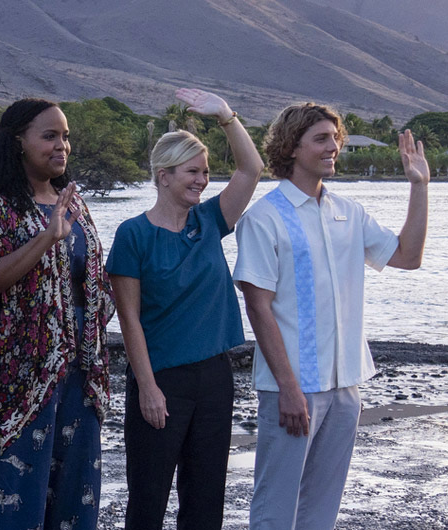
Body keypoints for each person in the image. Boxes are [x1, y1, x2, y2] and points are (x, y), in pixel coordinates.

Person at [233, 104, 430, 529]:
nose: (333, 147)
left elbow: (408, 256)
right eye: (321, 139)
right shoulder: (263, 218)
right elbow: (258, 306)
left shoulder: (350, 212)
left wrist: (419, 186)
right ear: (292, 147)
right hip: (292, 388)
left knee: (322, 510)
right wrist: (288, 388)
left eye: (335, 138)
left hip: (345, 386)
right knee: (275, 508)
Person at [0, 98, 112, 530]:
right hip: (11, 384)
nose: (62, 146)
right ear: (19, 141)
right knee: (6, 505)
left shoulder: (73, 205)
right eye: (50, 136)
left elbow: (89, 284)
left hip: (77, 379)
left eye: (66, 137)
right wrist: (45, 239)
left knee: (73, 505)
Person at [106, 88, 263, 529]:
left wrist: (227, 116)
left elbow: (251, 169)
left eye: (206, 172)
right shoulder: (133, 235)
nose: (202, 180)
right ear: (164, 176)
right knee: (148, 500)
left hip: (215, 377)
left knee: (205, 499)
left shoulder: (209, 220)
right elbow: (129, 319)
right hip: (161, 379)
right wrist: (148, 388)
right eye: (192, 171)